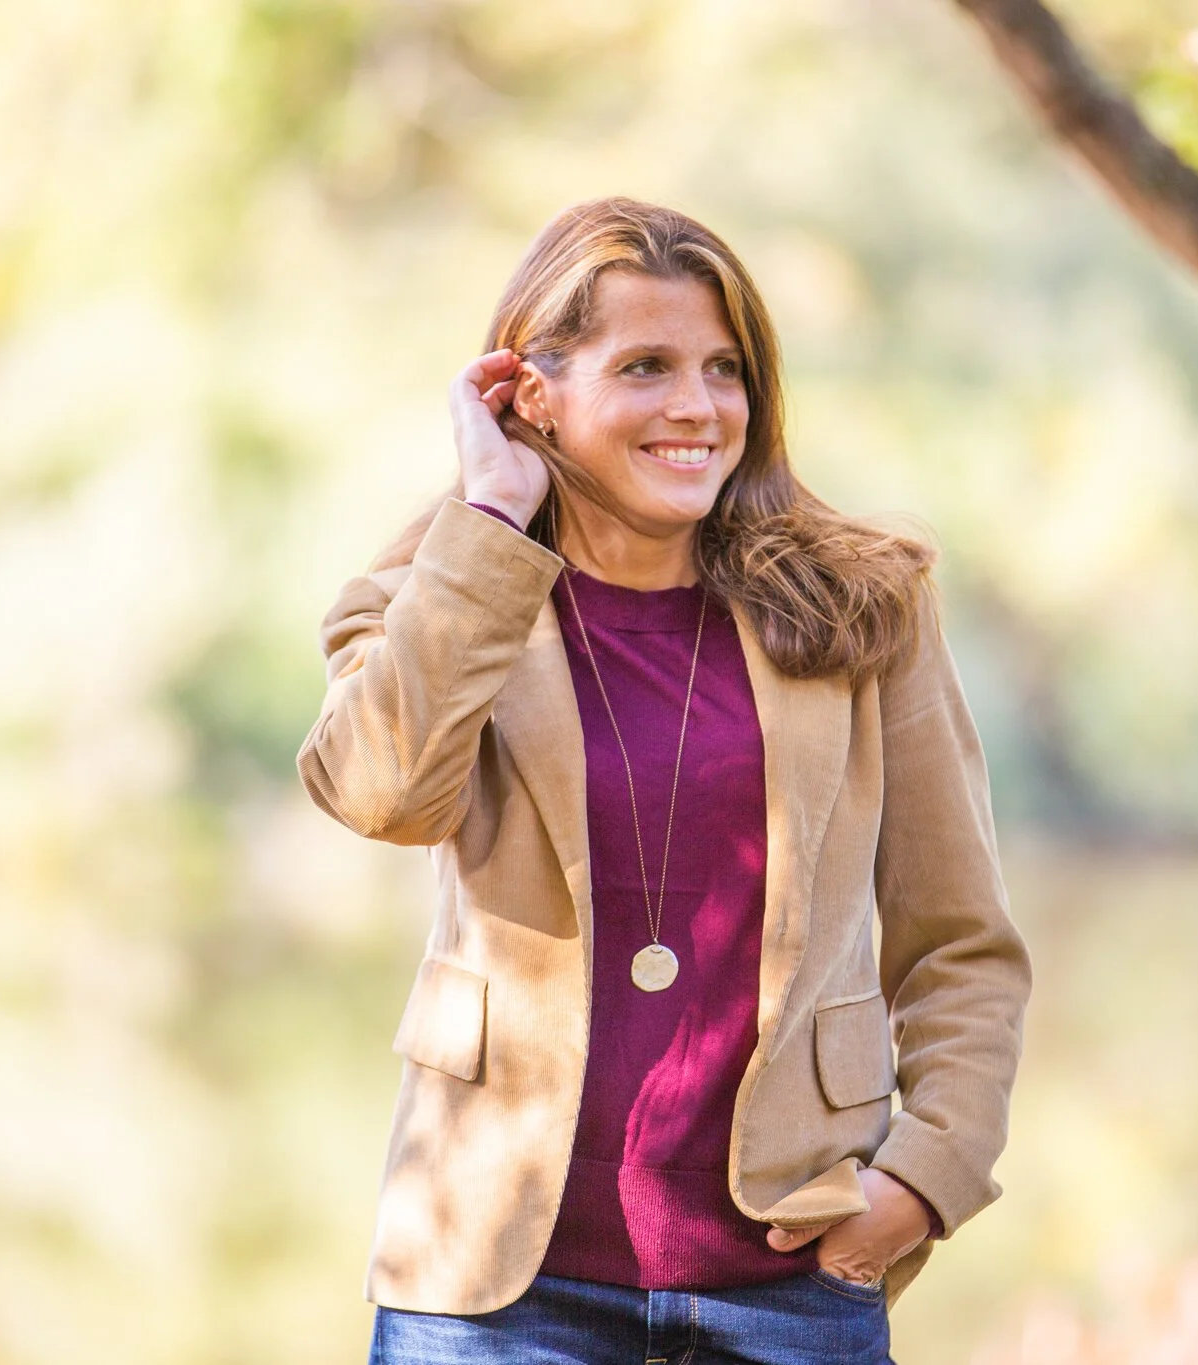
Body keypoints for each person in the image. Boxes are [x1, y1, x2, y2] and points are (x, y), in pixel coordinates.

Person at [296, 195, 1030, 1365]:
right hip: (494, 1296)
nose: (696, 407)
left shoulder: (862, 607)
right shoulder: (432, 598)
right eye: (644, 366)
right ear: (531, 395)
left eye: (723, 369)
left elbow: (959, 944)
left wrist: (924, 1180)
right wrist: (491, 512)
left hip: (789, 1283)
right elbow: (381, 796)